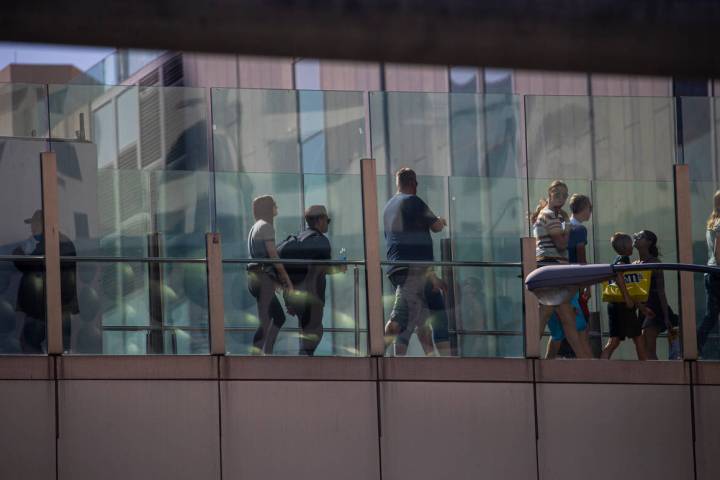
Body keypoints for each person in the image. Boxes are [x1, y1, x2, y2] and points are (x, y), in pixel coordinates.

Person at [383, 167, 447, 355]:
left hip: (398, 267)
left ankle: (432, 360)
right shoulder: (413, 201)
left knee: (421, 320)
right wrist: (441, 221)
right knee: (399, 318)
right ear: (413, 183)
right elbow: (435, 226)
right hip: (413, 269)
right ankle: (376, 353)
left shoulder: (388, 206)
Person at [531, 180, 592, 359]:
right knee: (547, 312)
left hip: (554, 269)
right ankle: (530, 354)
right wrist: (567, 225)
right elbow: (561, 243)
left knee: (567, 319)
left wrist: (564, 222)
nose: (561, 197)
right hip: (551, 268)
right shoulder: (550, 215)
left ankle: (586, 363)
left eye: (564, 195)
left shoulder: (550, 215)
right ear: (549, 194)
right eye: (557, 194)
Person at [13, 209, 78, 353]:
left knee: (31, 344)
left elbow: (27, 264)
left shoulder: (51, 242)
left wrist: (19, 252)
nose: (32, 228)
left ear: (43, 224)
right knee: (59, 346)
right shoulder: (61, 242)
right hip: (55, 305)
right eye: (32, 224)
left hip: (42, 307)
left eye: (35, 224)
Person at [284, 205, 341, 356]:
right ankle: (302, 366)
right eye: (327, 220)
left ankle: (302, 363)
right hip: (312, 296)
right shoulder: (321, 241)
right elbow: (321, 269)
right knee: (315, 330)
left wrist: (288, 300)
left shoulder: (298, 238)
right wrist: (339, 268)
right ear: (320, 220)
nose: (328, 223)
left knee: (307, 331)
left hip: (295, 295)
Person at [247, 195, 293, 354]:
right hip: (261, 279)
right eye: (274, 205)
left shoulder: (256, 226)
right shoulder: (266, 226)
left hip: (256, 279)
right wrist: (286, 280)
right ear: (268, 208)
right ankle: (263, 354)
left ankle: (262, 353)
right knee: (275, 318)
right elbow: (273, 256)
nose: (277, 208)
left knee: (268, 320)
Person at [600, 233, 649, 360]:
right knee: (639, 338)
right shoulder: (624, 260)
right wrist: (627, 298)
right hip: (623, 306)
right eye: (630, 243)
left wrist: (641, 307)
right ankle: (646, 370)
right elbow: (619, 275)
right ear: (626, 246)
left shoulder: (617, 259)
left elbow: (630, 285)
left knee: (614, 341)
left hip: (614, 304)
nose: (633, 245)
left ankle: (599, 368)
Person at [633, 230, 673, 360]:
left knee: (649, 349)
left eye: (641, 237)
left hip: (654, 308)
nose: (636, 238)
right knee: (642, 348)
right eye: (636, 236)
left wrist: (666, 317)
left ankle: (656, 377)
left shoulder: (655, 262)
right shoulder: (634, 264)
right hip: (641, 308)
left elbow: (661, 291)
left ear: (649, 242)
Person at [698, 190, 720, 358]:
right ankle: (697, 344)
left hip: (711, 272)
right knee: (711, 315)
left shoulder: (712, 223)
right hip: (717, 272)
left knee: (711, 315)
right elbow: (718, 250)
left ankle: (697, 345)